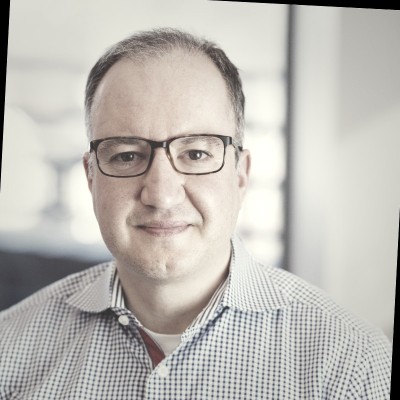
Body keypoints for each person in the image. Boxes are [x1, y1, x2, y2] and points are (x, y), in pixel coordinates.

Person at [0, 28, 392, 399]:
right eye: (127, 156)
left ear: (241, 175)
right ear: (90, 177)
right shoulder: (9, 351)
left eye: (196, 153)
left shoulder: (351, 366)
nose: (161, 195)